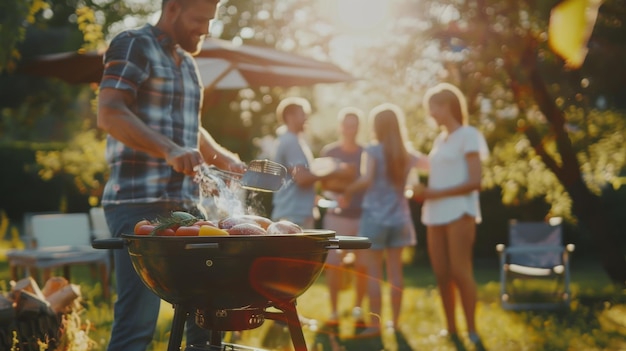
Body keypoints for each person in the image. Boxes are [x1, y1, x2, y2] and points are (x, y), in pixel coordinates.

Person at [97, 0, 245, 350]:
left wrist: (226, 158)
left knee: (208, 318)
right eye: (199, 19)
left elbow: (189, 130)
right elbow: (110, 112)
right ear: (174, 7)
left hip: (188, 207)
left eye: (211, 20)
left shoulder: (189, 65)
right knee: (138, 324)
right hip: (138, 205)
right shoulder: (134, 43)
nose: (206, 29)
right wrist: (168, 150)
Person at [340, 103, 427, 336]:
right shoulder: (407, 154)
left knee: (374, 274)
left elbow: (367, 180)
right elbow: (430, 165)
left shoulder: (373, 150)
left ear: (376, 126)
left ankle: (375, 325)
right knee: (396, 273)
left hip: (375, 220)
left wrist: (349, 191)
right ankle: (395, 324)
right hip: (400, 219)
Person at [417, 82, 489, 350]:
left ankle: (472, 330)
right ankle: (450, 328)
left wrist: (434, 192)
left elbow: (475, 181)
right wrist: (424, 191)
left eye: (433, 107)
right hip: (434, 213)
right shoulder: (440, 140)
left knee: (460, 271)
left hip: (460, 211)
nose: (431, 113)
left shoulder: (468, 135)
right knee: (441, 274)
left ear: (447, 106)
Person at [319, 107, 367, 326]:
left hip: (361, 215)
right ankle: (335, 311)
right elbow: (322, 183)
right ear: (341, 127)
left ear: (358, 128)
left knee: (362, 265)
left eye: (354, 125)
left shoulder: (365, 153)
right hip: (335, 215)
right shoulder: (330, 152)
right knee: (334, 264)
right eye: (346, 125)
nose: (350, 129)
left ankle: (358, 308)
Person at [270, 96, 320, 229]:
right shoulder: (291, 142)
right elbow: (302, 177)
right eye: (302, 114)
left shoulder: (291, 140)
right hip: (293, 215)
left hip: (292, 213)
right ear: (290, 116)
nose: (306, 118)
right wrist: (332, 173)